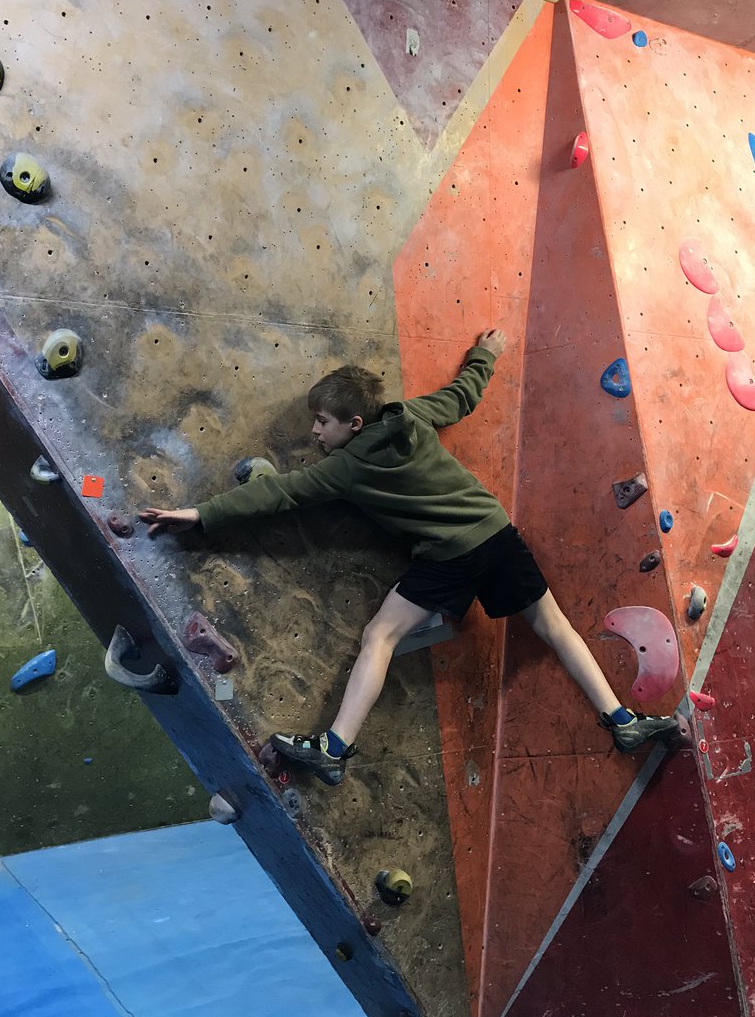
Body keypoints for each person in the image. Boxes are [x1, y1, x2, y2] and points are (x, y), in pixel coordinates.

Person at [140, 329, 678, 786]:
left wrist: (198, 513)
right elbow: (461, 397)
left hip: (448, 557)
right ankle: (620, 718)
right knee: (555, 627)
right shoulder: (411, 416)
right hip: (495, 535)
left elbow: (276, 494)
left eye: (322, 421)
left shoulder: (343, 468)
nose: (314, 430)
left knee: (381, 636)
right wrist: (484, 355)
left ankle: (333, 750)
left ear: (353, 425)